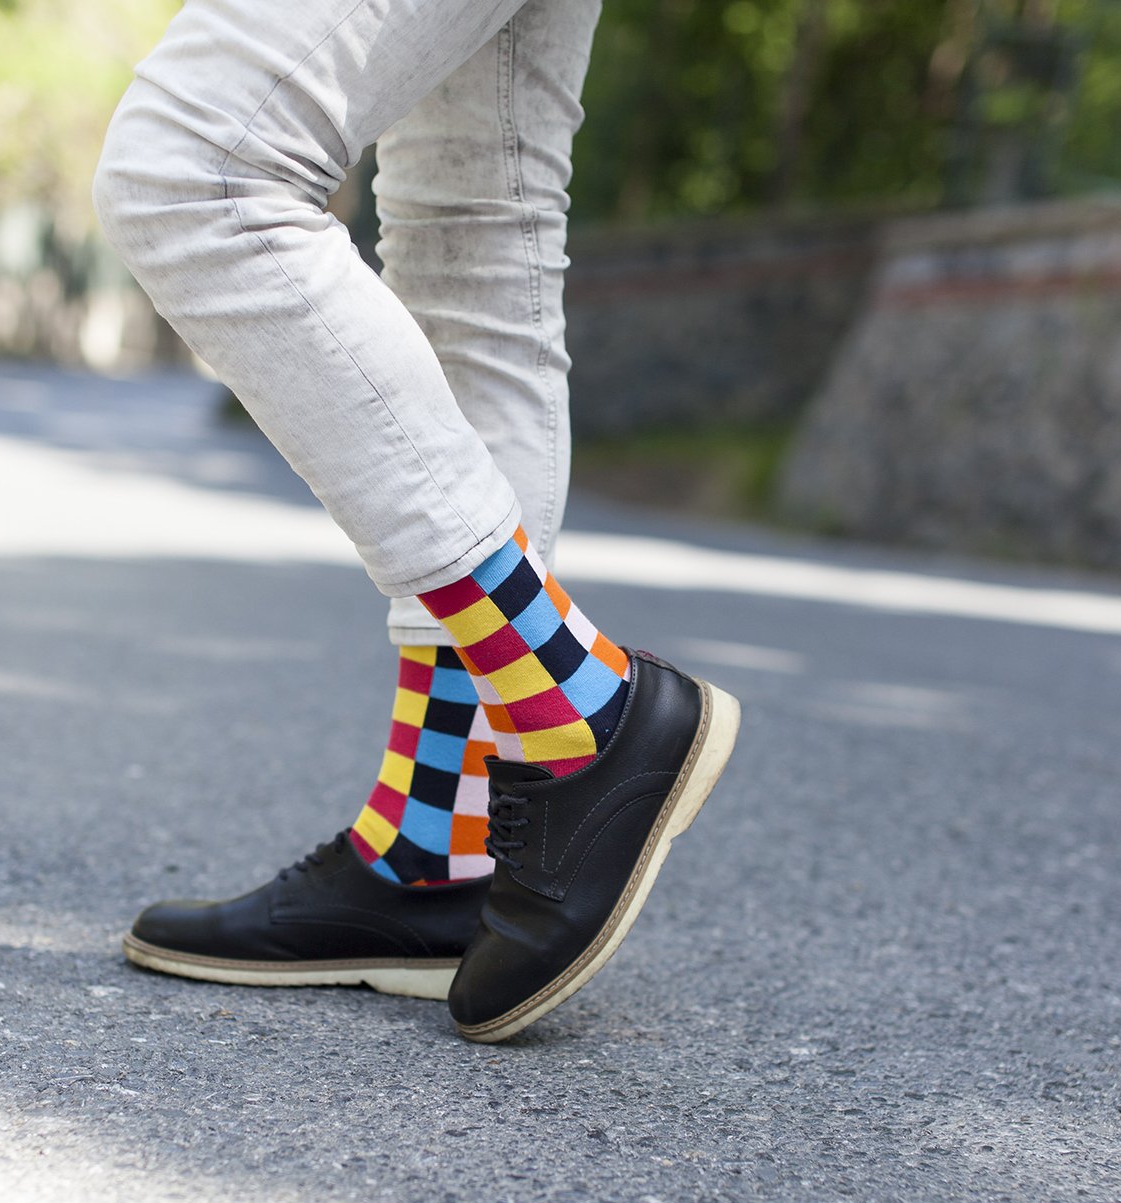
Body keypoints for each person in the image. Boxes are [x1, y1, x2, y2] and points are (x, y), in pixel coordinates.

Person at [92, 0, 738, 1043]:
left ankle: (580, 699)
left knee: (194, 172)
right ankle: (437, 852)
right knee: (475, 231)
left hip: (576, 699)